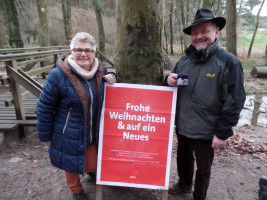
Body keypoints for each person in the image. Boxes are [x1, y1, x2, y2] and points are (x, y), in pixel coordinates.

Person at [164, 8, 246, 200]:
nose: (199, 36)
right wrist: (168, 79)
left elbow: (235, 101)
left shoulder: (229, 63)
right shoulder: (185, 59)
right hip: (183, 124)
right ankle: (184, 184)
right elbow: (172, 82)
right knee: (183, 158)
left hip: (208, 129)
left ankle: (199, 196)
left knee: (203, 168)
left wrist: (223, 133)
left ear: (216, 31)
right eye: (195, 33)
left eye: (204, 31)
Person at [37, 32, 117, 200]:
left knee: (92, 154)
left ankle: (93, 173)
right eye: (78, 49)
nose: (83, 54)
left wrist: (113, 77)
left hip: (93, 127)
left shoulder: (100, 70)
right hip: (68, 130)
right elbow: (44, 106)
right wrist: (44, 134)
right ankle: (76, 190)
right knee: (70, 162)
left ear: (94, 52)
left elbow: (110, 83)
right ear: (71, 51)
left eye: (88, 50)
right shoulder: (57, 76)